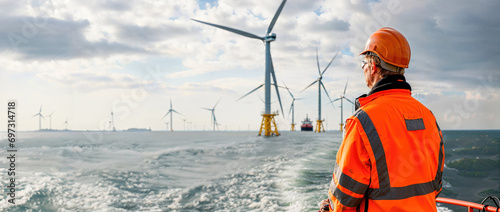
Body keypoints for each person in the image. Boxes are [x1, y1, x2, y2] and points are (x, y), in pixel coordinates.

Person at [319, 27, 444, 211]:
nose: (363, 68)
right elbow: (436, 184)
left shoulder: (363, 121)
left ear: (373, 67)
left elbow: (344, 199)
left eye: (364, 63)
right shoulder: (428, 117)